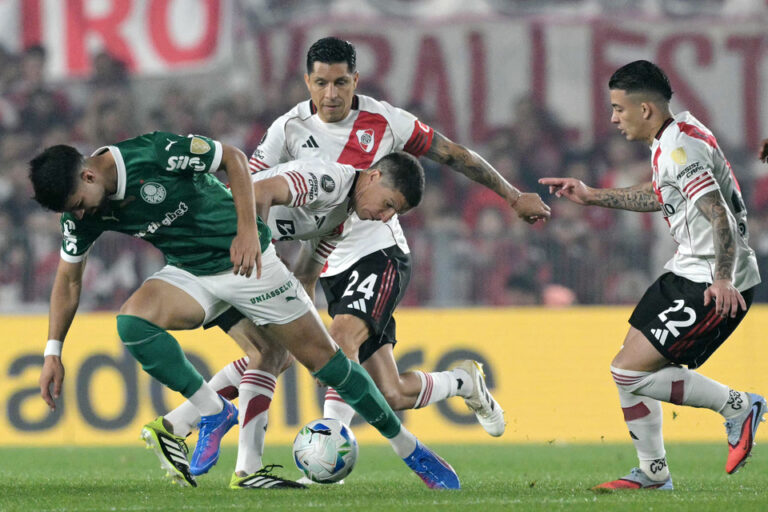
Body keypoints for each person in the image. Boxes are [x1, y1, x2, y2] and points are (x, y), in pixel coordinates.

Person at [164, 37, 550, 467]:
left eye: (341, 83)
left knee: (338, 342)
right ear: (307, 82)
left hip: (378, 253)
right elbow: (247, 188)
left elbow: (454, 155)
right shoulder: (287, 129)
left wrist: (513, 196)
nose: (331, 94)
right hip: (323, 259)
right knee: (387, 391)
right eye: (321, 83)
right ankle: (462, 383)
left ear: (356, 81)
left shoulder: (385, 121)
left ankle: (326, 447)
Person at [29, 132, 461, 491]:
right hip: (192, 271)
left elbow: (231, 158)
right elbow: (68, 281)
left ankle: (409, 449)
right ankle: (214, 413)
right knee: (133, 322)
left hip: (249, 262)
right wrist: (53, 351)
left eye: (79, 203)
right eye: (74, 211)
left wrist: (251, 239)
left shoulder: (150, 153)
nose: (81, 214)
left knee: (327, 364)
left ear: (88, 174)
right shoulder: (81, 214)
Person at [540, 60, 765, 490]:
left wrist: (721, 279)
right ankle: (652, 473)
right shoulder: (674, 137)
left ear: (645, 109)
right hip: (686, 269)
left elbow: (718, 213)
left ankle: (738, 407)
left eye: (618, 108)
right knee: (625, 367)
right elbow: (657, 195)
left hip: (711, 280)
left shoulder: (681, 147)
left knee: (630, 372)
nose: (613, 118)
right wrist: (591, 196)